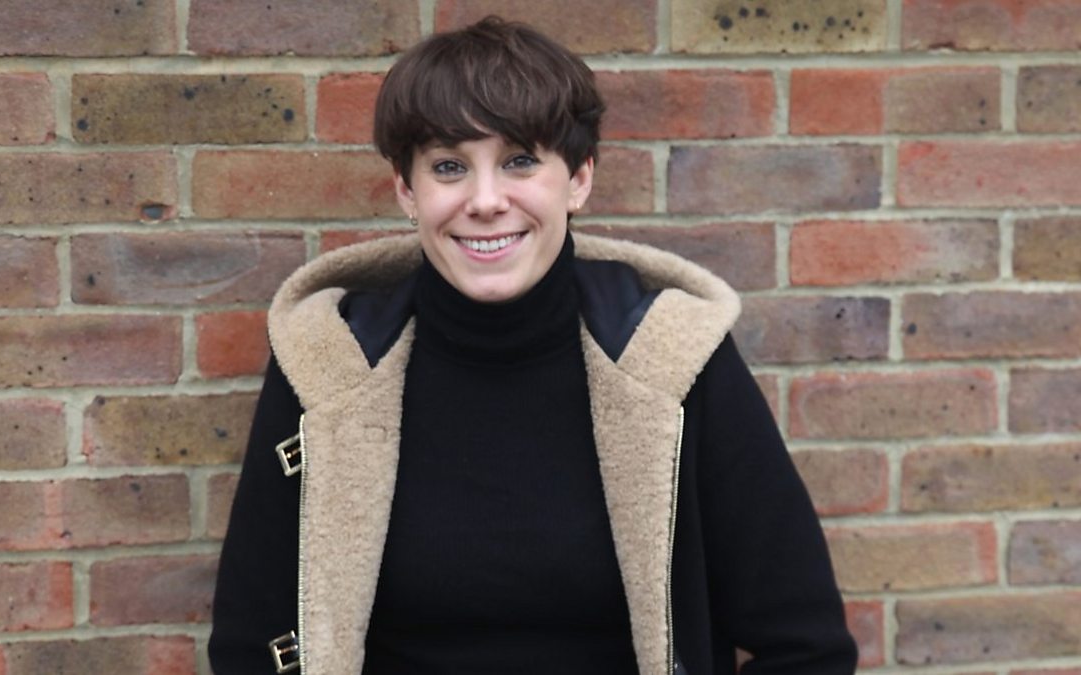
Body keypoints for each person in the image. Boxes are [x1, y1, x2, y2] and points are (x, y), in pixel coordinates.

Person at [209, 16, 857, 675]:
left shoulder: (673, 359)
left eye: (520, 160)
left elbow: (807, 647)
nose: (486, 200)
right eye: (449, 166)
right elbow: (246, 645)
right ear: (407, 191)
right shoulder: (330, 363)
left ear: (578, 179)